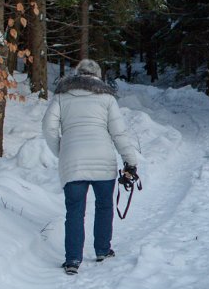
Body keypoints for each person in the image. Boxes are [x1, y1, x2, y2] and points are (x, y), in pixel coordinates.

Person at [42, 59, 140, 275]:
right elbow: (119, 133)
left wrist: (62, 150)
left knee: (74, 211)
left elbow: (48, 127)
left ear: (77, 75)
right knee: (104, 205)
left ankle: (72, 260)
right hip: (102, 159)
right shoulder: (106, 98)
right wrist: (130, 161)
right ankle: (103, 250)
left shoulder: (61, 96)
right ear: (97, 77)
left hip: (72, 161)